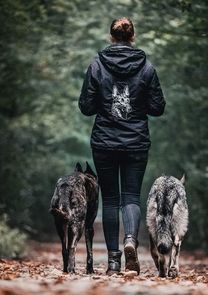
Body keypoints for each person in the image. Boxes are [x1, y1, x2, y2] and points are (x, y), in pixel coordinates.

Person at [79, 17, 166, 275]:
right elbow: (158, 107)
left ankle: (114, 262)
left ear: (111, 37)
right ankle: (130, 239)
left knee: (111, 200)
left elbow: (86, 107)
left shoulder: (97, 66)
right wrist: (138, 106)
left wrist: (105, 104)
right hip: (136, 141)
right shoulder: (147, 68)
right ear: (133, 36)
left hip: (104, 141)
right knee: (130, 197)